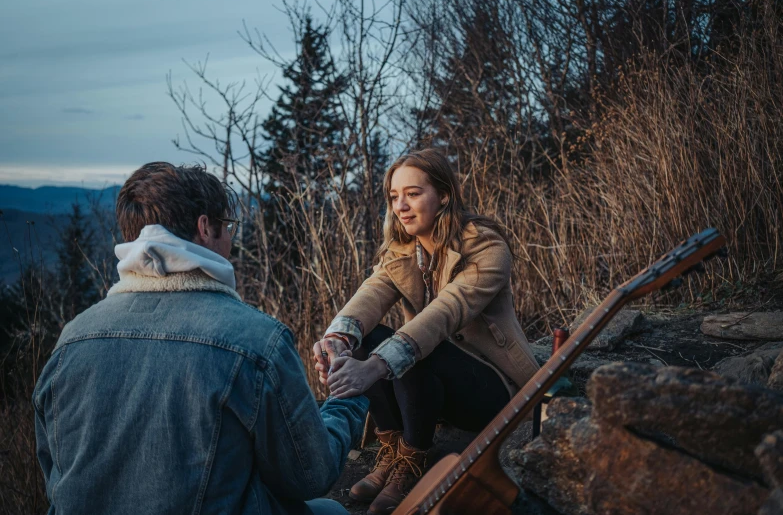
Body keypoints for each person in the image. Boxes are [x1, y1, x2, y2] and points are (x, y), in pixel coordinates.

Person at [33, 162, 367, 515]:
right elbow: (310, 476)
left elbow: (54, 475)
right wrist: (346, 400)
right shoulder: (257, 340)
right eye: (228, 227)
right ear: (205, 227)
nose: (230, 240)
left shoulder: (71, 339)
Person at [312, 149, 541, 514]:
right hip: (431, 388)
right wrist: (337, 339)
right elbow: (370, 295)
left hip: (489, 388)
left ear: (444, 196)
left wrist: (373, 367)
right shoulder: (403, 250)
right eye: (394, 196)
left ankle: (413, 460)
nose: (401, 206)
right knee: (367, 338)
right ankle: (393, 451)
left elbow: (444, 314)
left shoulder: (486, 247)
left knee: (411, 347)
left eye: (413, 193)